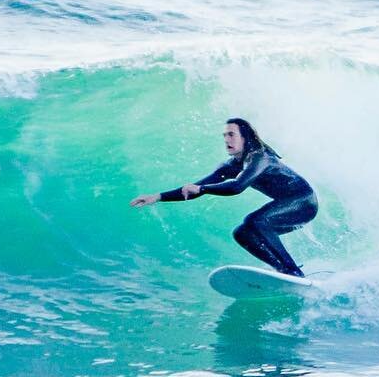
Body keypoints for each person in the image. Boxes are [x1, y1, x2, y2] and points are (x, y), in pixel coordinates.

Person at [131, 117, 318, 276]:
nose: (226, 139)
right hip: (287, 203)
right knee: (242, 233)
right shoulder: (232, 165)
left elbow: (236, 187)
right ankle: (282, 270)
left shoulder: (260, 158)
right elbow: (195, 188)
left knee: (256, 221)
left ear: (246, 137)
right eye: (224, 136)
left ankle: (293, 271)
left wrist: (203, 189)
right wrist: (157, 197)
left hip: (304, 202)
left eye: (231, 134)